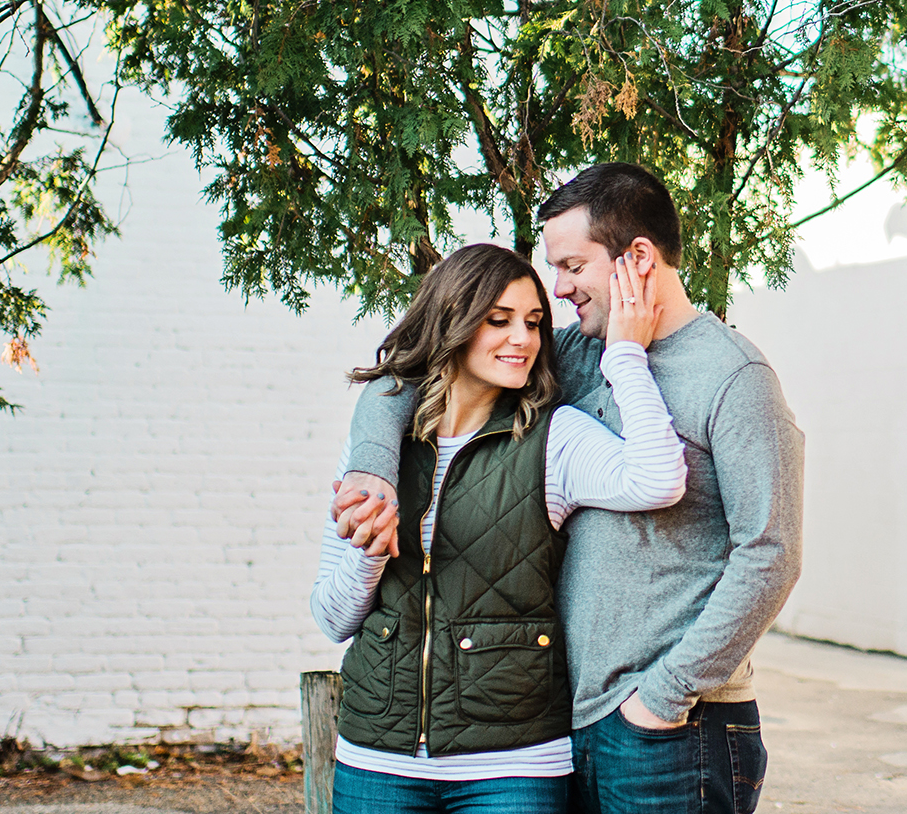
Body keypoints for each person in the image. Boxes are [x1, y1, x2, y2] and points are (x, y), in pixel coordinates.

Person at [334, 164, 804, 814]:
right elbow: (417, 369)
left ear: (637, 256)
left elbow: (770, 553)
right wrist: (371, 465)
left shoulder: (734, 375)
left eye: (573, 265)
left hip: (672, 723)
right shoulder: (575, 351)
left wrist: (662, 696)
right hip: (568, 719)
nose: (559, 288)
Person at [312, 241, 687, 814]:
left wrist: (625, 355)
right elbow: (333, 619)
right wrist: (370, 552)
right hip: (377, 761)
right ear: (452, 322)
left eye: (534, 323)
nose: (523, 340)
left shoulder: (553, 438)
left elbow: (659, 480)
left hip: (514, 766)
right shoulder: (383, 450)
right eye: (499, 320)